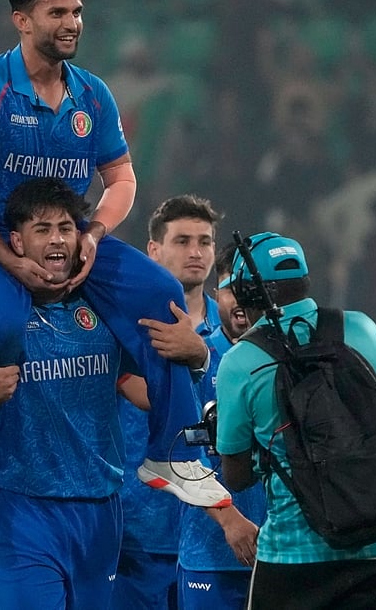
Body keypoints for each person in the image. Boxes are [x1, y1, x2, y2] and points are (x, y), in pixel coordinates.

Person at [0, 0, 216, 545]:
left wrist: (93, 235)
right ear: (21, 19)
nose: (72, 22)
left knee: (162, 294)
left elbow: (122, 180)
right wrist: (9, 261)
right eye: (57, 12)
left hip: (69, 241)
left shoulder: (92, 94)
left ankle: (168, 454)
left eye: (77, 11)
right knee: (7, 322)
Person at [0, 178, 232, 608]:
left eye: (65, 228)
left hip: (99, 510)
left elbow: (150, 393)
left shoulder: (103, 311)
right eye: (42, 230)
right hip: (19, 507)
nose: (58, 239)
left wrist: (195, 360)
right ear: (16, 243)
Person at [215, 232, 376, 609]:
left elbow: (236, 477)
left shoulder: (240, 361)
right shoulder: (364, 329)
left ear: (248, 294)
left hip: (295, 556)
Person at [113, 195, 259, 609]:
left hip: (219, 541)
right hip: (140, 531)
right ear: (153, 250)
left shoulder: (237, 329)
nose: (195, 252)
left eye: (205, 241)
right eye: (182, 241)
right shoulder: (125, 326)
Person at [177, 239, 267, 610]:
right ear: (217, 293)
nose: (242, 300)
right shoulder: (193, 356)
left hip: (282, 555)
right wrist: (229, 520)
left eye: (253, 289)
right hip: (210, 555)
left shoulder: (295, 360)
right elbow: (176, 454)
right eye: (232, 288)